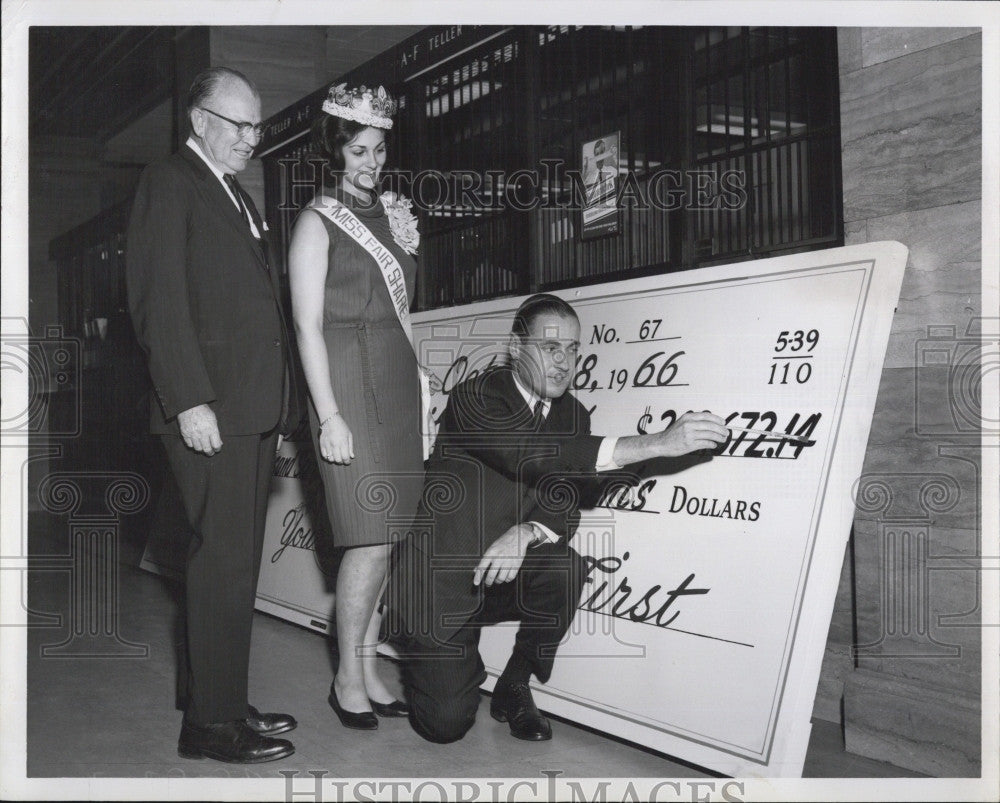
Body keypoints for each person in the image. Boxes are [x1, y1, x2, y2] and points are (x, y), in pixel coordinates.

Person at [388, 293, 729, 744]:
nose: (564, 362)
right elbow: (534, 454)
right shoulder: (476, 395)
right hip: (442, 578)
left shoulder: (573, 412)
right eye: (551, 348)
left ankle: (514, 683)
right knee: (446, 726)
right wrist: (655, 444)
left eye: (572, 350)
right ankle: (432, 645)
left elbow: (565, 497)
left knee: (566, 567)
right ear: (515, 347)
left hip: (500, 572)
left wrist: (526, 531)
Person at [127, 67, 298, 763]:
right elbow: (158, 301)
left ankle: (215, 696)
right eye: (238, 125)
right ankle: (211, 726)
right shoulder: (171, 182)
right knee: (222, 563)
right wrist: (189, 398)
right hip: (211, 409)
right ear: (200, 120)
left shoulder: (234, 194)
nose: (250, 140)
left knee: (230, 564)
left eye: (256, 127)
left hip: (248, 408)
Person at [288, 82, 424, 730]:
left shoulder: (394, 215)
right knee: (367, 540)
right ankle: (345, 677)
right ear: (336, 150)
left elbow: (404, 310)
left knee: (388, 537)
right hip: (346, 383)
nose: (373, 163)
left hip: (395, 384)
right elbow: (307, 326)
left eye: (380, 150)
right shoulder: (316, 221)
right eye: (362, 150)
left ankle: (367, 664)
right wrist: (328, 414)